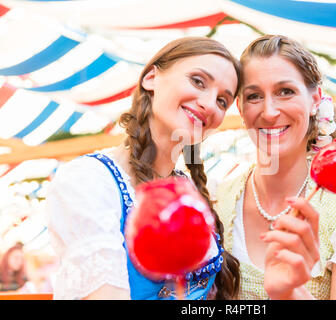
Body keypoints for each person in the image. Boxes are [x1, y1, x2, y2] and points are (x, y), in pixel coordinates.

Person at [45, 37, 242, 300]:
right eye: (197, 81)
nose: (209, 104)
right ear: (151, 78)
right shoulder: (88, 181)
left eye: (222, 101)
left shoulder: (195, 191)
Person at [214, 35, 336, 300]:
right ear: (240, 107)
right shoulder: (217, 201)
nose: (270, 111)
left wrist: (292, 293)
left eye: (285, 91)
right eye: (254, 96)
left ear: (315, 101)